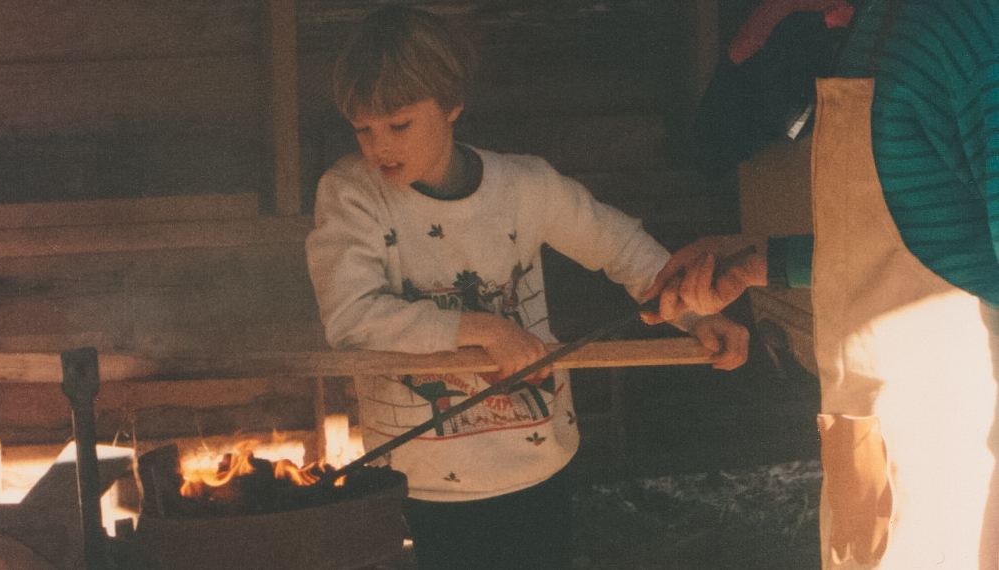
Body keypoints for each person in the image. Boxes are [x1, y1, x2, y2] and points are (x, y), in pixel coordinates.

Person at [304, 6, 750, 569]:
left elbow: (621, 249)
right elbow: (351, 315)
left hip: (537, 463)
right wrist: (480, 329)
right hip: (423, 480)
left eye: (398, 124)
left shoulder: (525, 187)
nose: (379, 146)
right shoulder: (351, 195)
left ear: (451, 104)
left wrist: (696, 316)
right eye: (362, 128)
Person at [650, 1, 999, 568]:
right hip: (880, 437)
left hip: (958, 457)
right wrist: (757, 261)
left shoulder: (962, 33)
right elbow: (927, 240)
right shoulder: (878, 28)